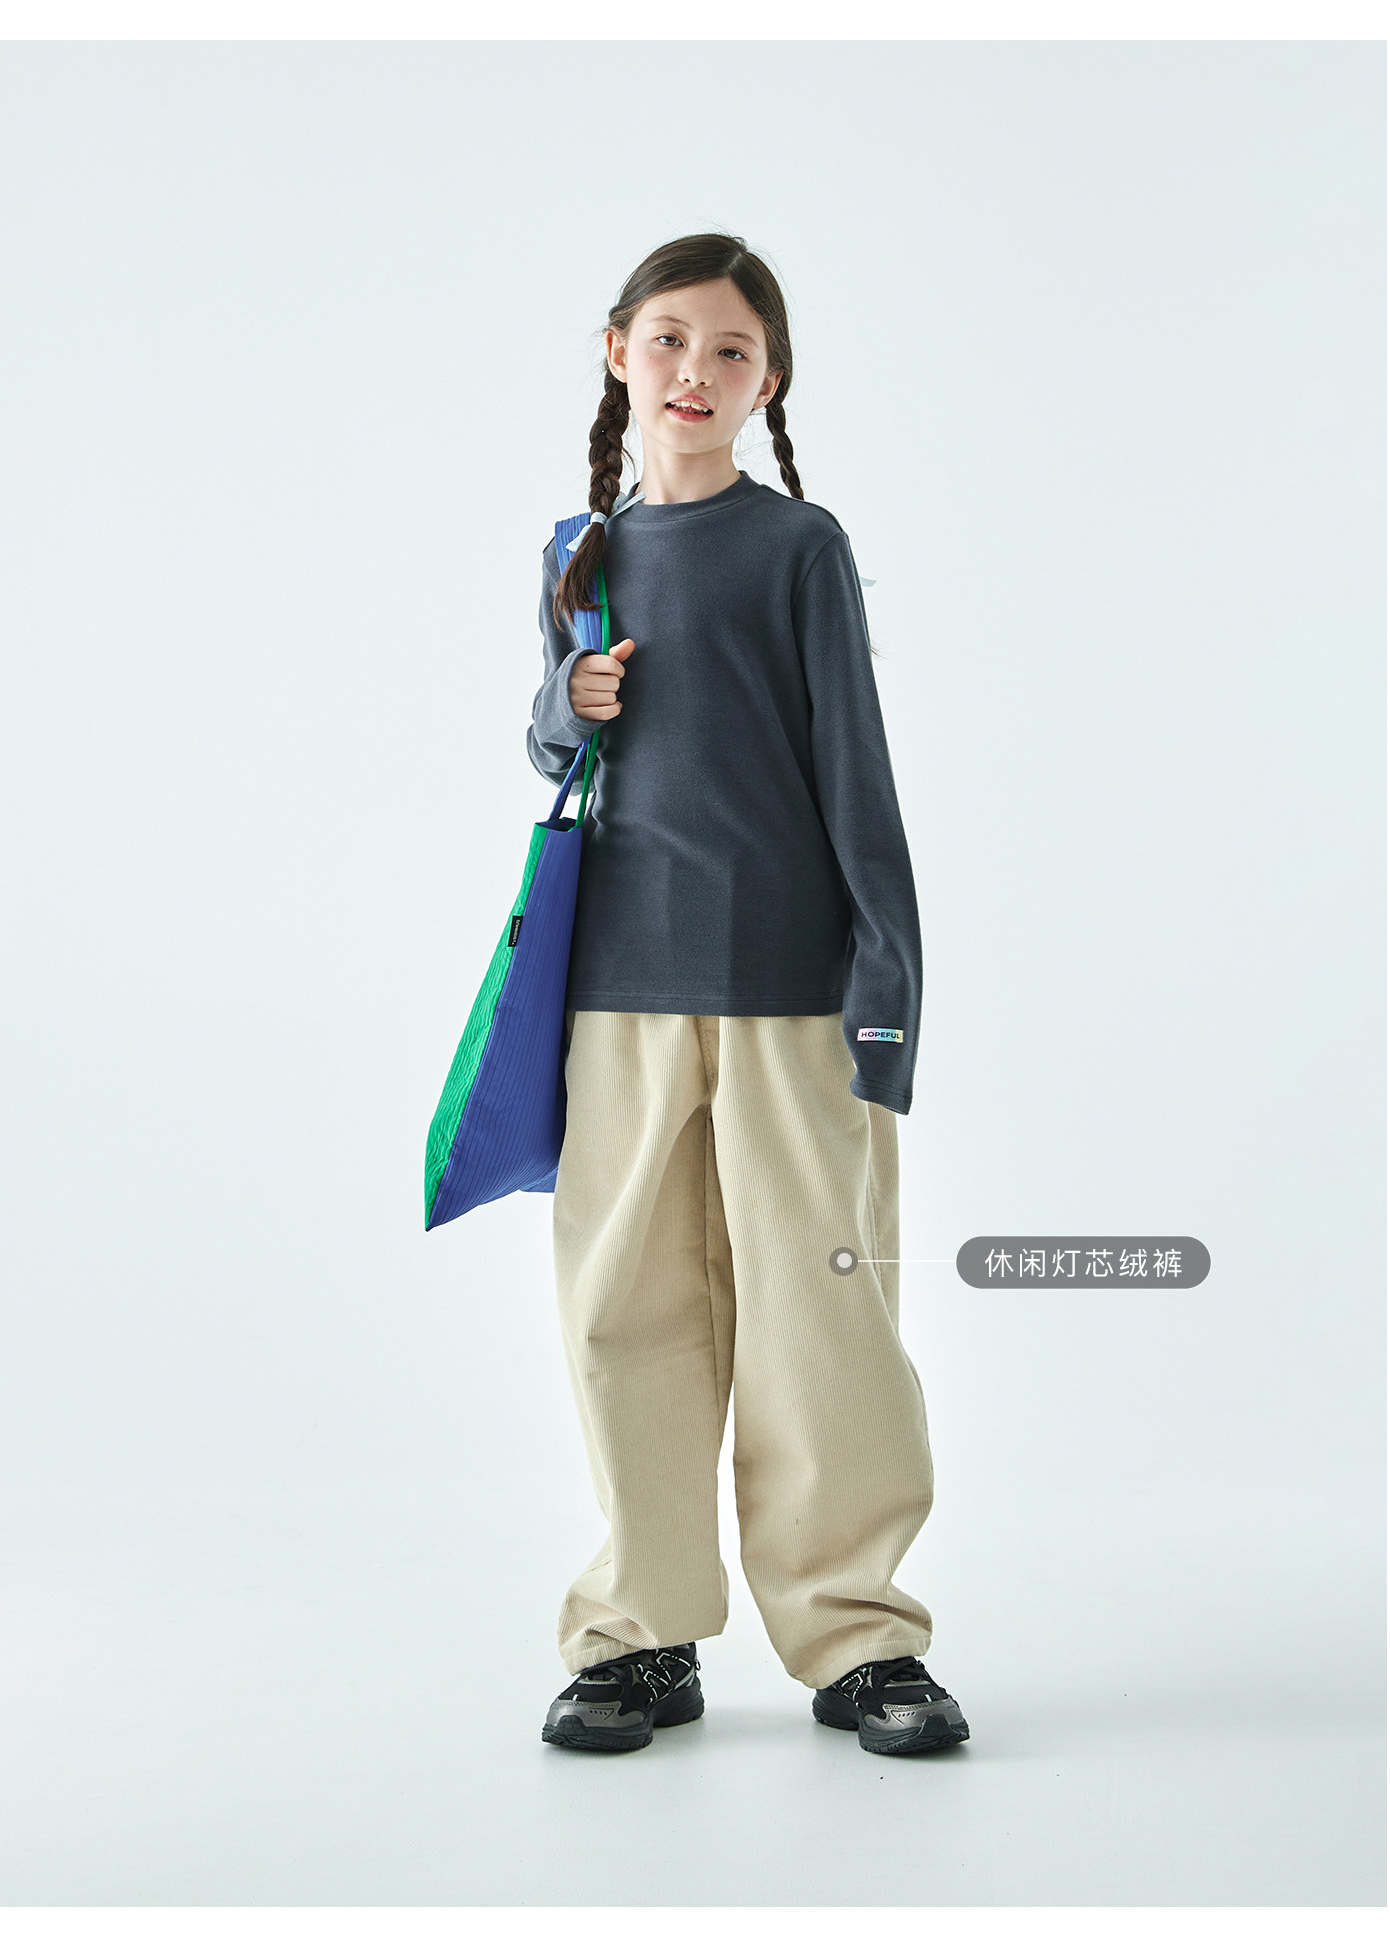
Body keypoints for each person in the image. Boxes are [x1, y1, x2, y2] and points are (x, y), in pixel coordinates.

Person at [524, 233, 969, 1760]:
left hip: (791, 991)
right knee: (623, 1311)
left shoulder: (799, 547)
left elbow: (856, 766)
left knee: (822, 1312)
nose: (695, 373)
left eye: (730, 351)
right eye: (670, 341)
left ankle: (858, 1637)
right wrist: (560, 704)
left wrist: (887, 995)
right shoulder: (581, 556)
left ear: (768, 380)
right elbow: (560, 756)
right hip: (616, 987)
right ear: (618, 352)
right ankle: (640, 1635)